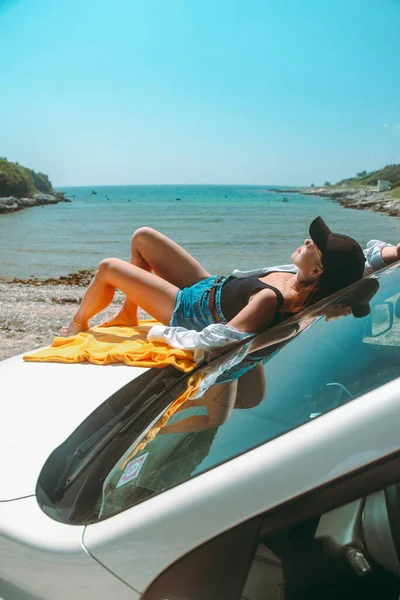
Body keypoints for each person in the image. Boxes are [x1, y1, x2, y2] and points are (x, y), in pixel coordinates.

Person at [60, 217, 368, 339]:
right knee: (142, 236)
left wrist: (162, 335)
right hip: (207, 284)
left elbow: (218, 339)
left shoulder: (271, 299)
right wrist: (389, 254)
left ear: (317, 272)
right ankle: (128, 313)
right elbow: (357, 272)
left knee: (108, 268)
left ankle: (76, 326)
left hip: (186, 309)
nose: (306, 241)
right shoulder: (299, 278)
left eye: (313, 247)